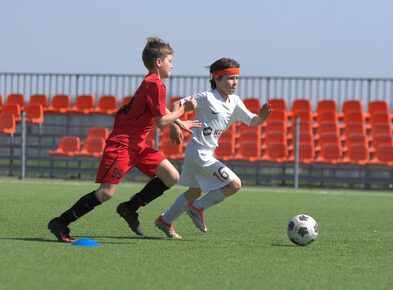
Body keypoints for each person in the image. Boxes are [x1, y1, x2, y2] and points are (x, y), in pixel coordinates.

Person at [48, 37, 201, 243]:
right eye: (170, 60)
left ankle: (130, 208)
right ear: (158, 62)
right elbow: (161, 121)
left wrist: (179, 123)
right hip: (122, 144)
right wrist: (183, 110)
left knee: (171, 176)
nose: (172, 65)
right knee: (106, 193)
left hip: (138, 146)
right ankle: (60, 222)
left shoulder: (152, 83)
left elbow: (160, 111)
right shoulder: (155, 84)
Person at [154, 57, 272, 239]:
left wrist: (262, 117)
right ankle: (197, 207)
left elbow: (253, 121)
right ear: (217, 79)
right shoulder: (207, 97)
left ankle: (165, 220)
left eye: (237, 78)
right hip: (200, 153)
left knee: (194, 191)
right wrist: (175, 125)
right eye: (230, 78)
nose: (235, 83)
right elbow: (177, 104)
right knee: (234, 184)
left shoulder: (235, 102)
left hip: (199, 153)